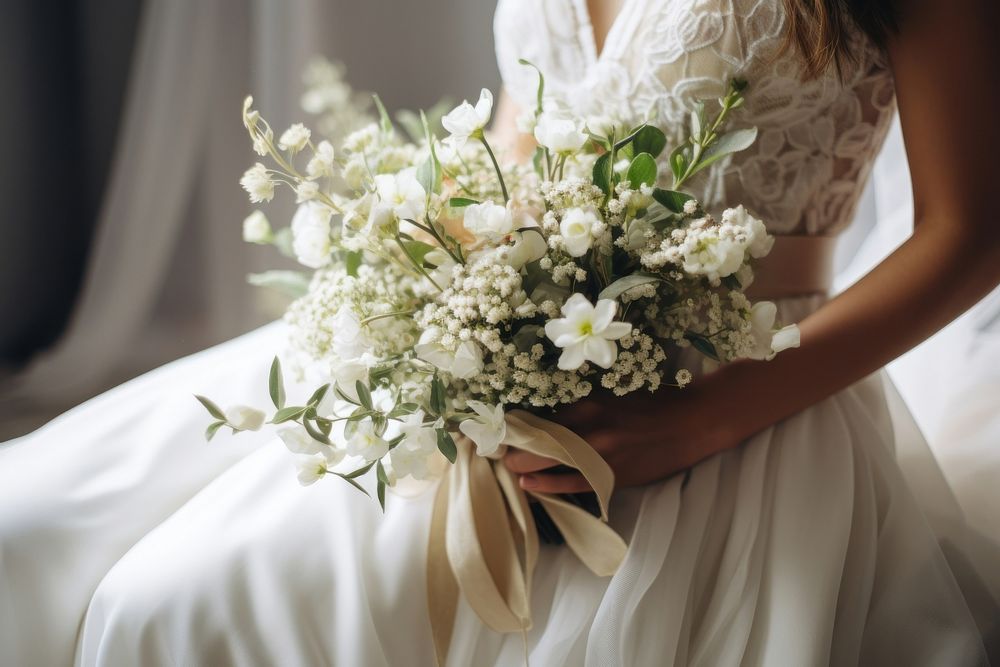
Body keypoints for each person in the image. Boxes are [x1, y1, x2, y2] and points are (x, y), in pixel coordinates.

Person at [2, 0, 999, 664]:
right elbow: (529, 132)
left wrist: (699, 421)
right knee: (30, 525)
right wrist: (421, 275)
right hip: (499, 332)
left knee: (177, 607)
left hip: (728, 381)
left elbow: (970, 229)